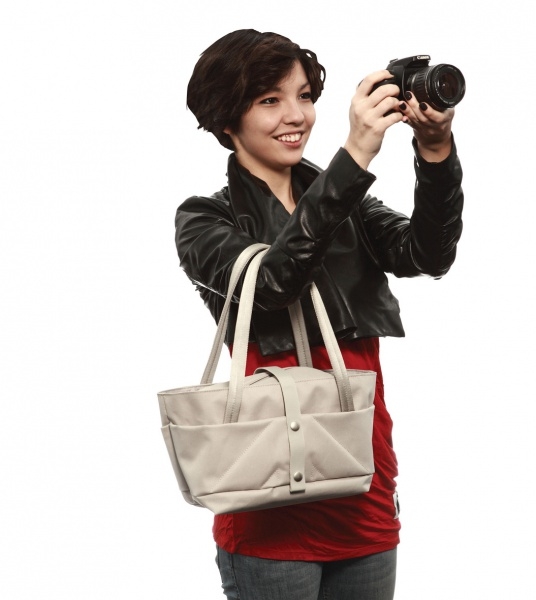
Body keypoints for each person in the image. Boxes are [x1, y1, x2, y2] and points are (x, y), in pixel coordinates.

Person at [176, 28, 464, 600]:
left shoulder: (348, 203)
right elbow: (274, 282)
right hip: (269, 510)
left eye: (305, 96)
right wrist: (353, 156)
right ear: (226, 118)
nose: (297, 116)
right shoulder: (204, 219)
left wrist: (435, 151)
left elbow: (427, 255)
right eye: (270, 100)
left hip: (365, 487)